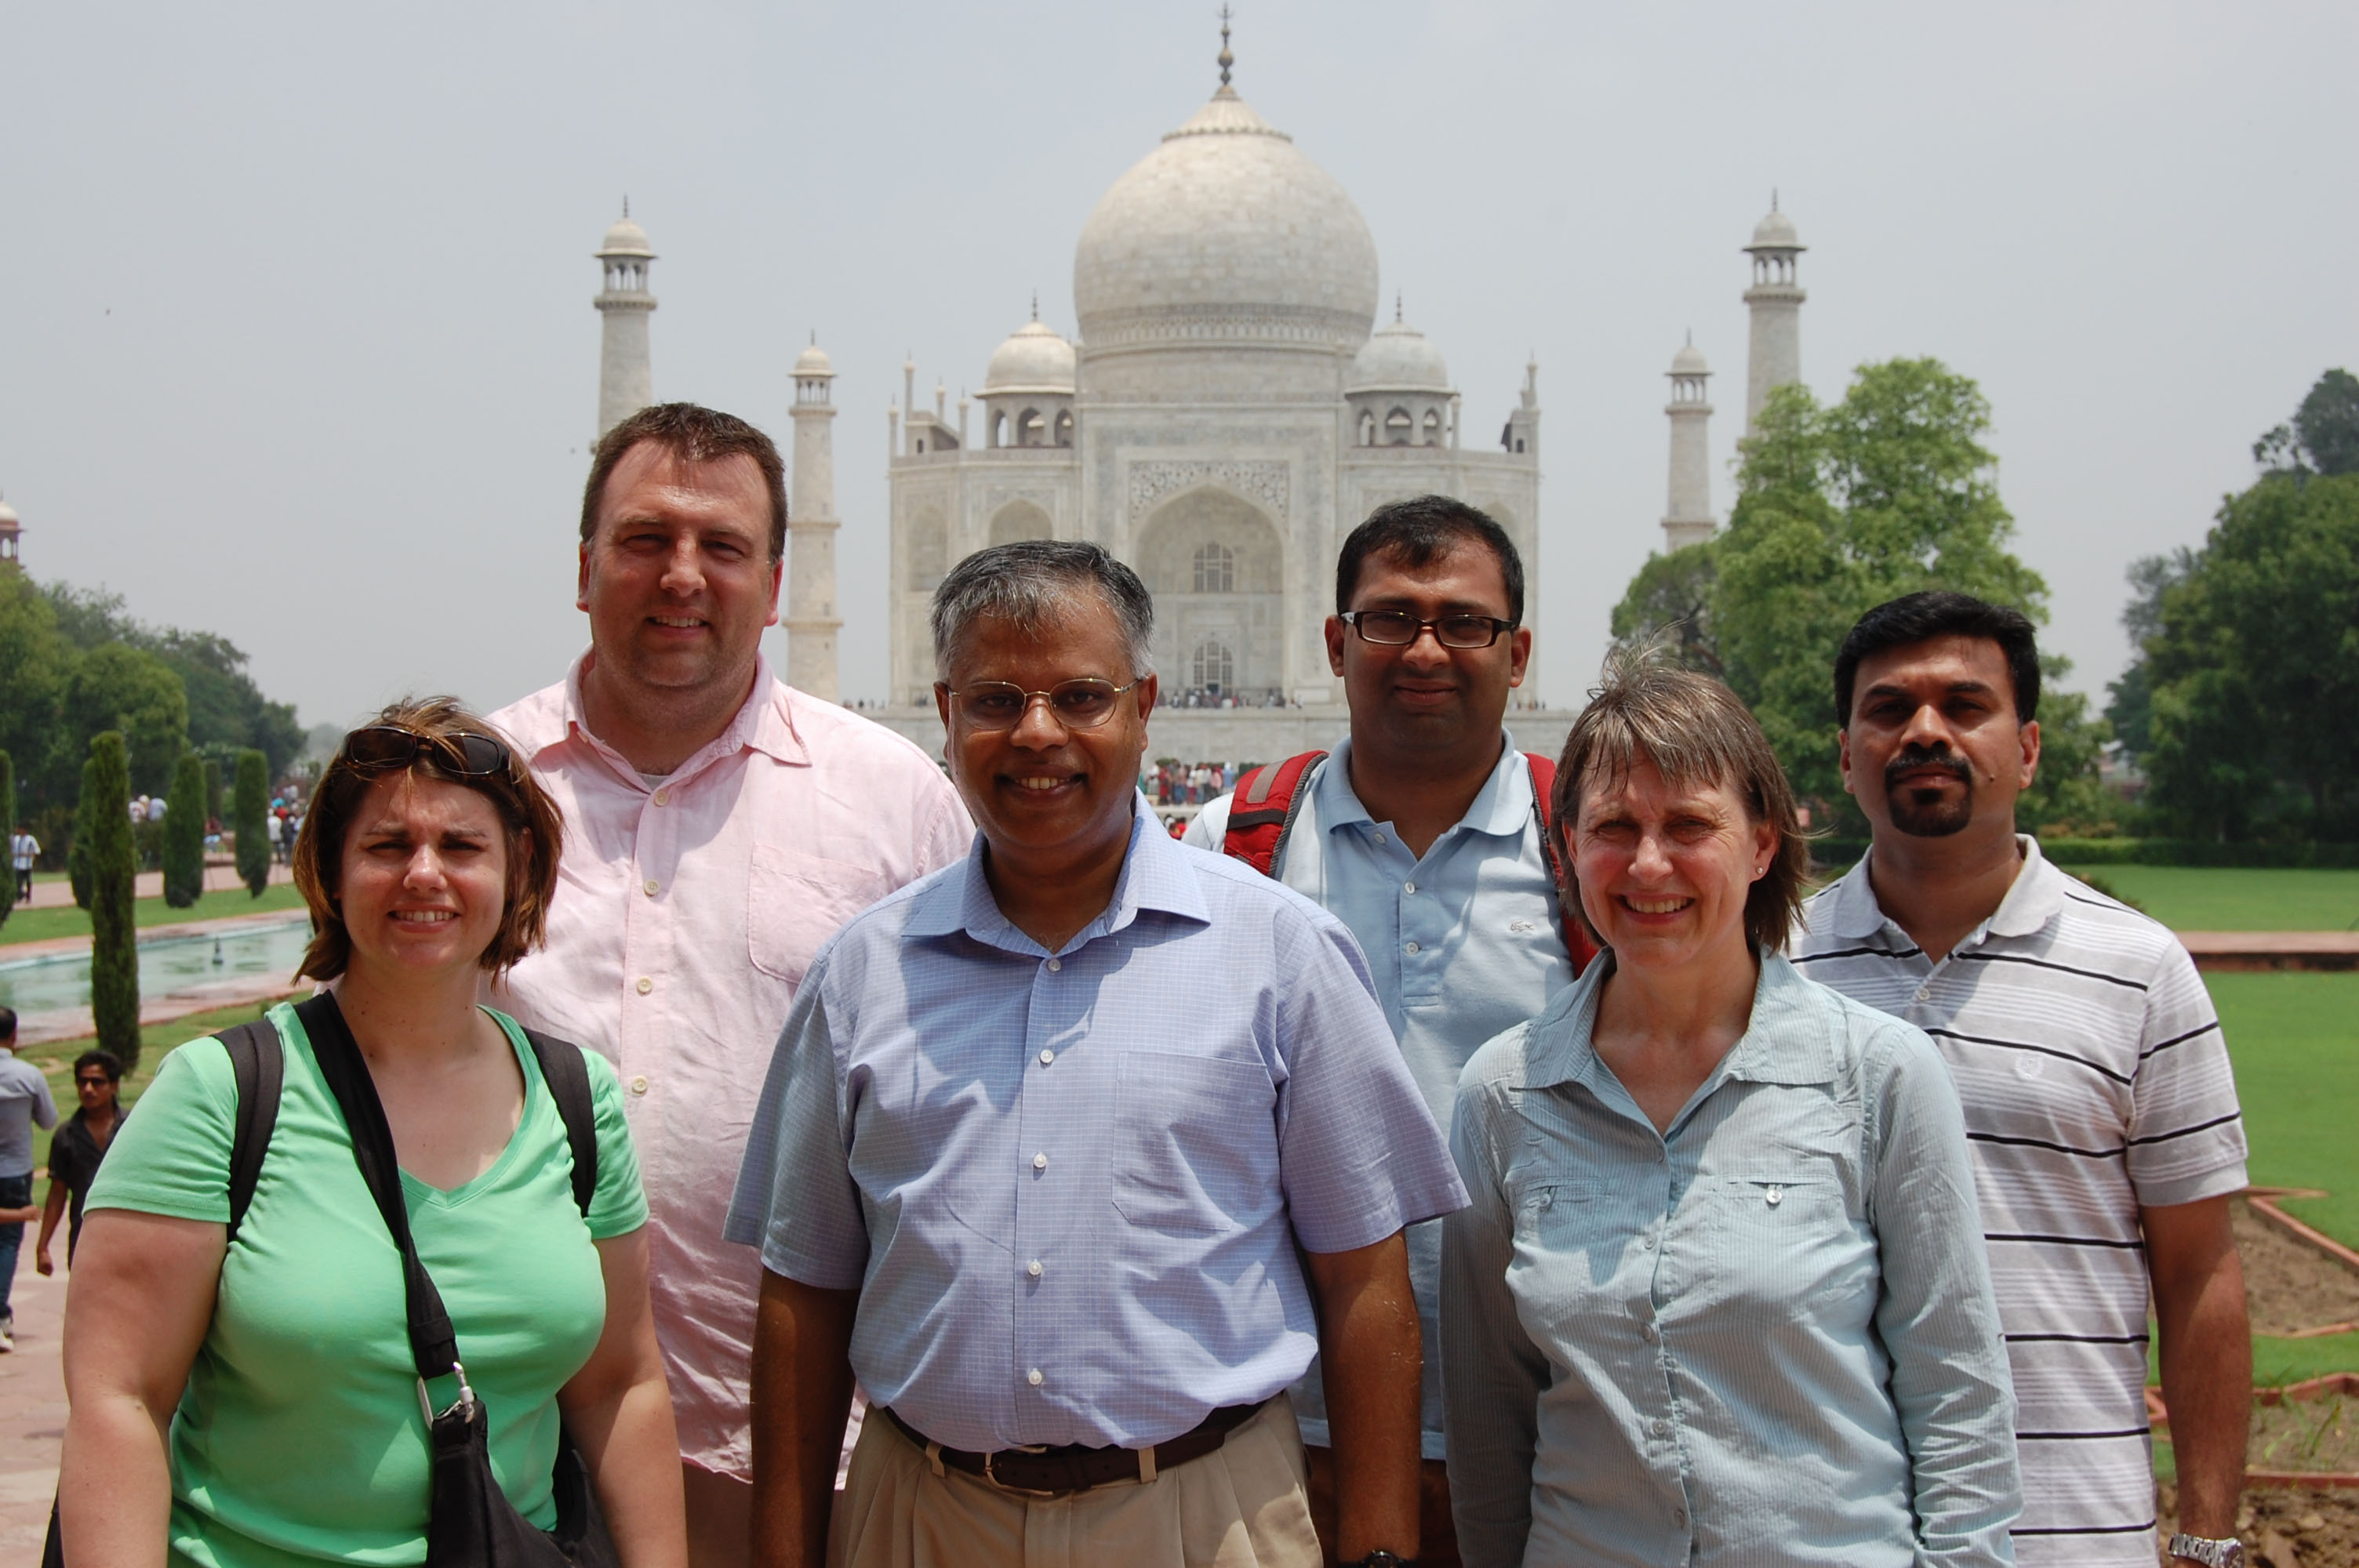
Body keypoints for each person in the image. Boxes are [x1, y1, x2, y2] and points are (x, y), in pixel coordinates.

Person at [727, 540, 1466, 1568]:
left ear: (1144, 703)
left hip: (1203, 1517)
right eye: (995, 701)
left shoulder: (1278, 953)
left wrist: (1381, 1553)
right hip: (923, 1515)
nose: (1038, 734)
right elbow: (804, 1293)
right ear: (945, 712)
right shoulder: (861, 975)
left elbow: (1365, 1279)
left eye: (1080, 696)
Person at [488, 401, 969, 1566]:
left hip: (825, 1442)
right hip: (517, 1435)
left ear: (778, 577)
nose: (683, 578)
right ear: (586, 566)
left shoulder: (889, 797)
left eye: (724, 547)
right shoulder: (476, 794)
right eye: (647, 539)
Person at [60, 698, 686, 1566]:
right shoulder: (224, 1096)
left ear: (518, 869)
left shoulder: (577, 1101)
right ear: (331, 867)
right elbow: (120, 1397)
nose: (423, 873)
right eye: (387, 845)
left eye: (462, 846)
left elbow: (619, 1385)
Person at [1443, 651, 2019, 1567]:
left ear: (1760, 841)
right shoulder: (1505, 1094)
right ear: (1565, 851)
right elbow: (1487, 1415)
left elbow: (1955, 1396)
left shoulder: (1874, 1076)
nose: (1646, 862)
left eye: (1687, 824)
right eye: (1613, 825)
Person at [1791, 591, 2252, 1567]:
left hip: (2073, 1529)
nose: (1923, 731)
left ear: (2027, 746)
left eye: (1963, 706)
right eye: (1887, 709)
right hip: (1820, 1529)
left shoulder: (2135, 969)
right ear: (1844, 753)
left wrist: (2207, 1534)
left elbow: (2198, 1268)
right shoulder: (1771, 967)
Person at [1186, 495, 1590, 1566]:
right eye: (1389, 619)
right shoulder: (1232, 844)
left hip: (1552, 1423)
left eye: (1464, 623)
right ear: (1333, 642)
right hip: (1275, 1432)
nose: (1426, 650)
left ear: (1519, 654)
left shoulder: (1595, 851)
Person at [0, 1005, 59, 1352]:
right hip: (15, 1169)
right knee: (7, 1243)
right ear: (15, 1036)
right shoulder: (28, 1075)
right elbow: (49, 1120)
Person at [35, 1048, 125, 1275]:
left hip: (129, 1231)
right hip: (84, 1235)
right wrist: (43, 1246)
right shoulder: (66, 1135)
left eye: (97, 1082)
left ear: (114, 1086)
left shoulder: (134, 1128)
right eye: (82, 1082)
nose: (88, 1089)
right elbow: (57, 1192)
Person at [11, 824, 38, 902]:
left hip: (27, 864)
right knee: (18, 882)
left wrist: (27, 855)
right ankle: (21, 895)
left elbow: (36, 851)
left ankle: (28, 897)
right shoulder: (16, 839)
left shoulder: (30, 839)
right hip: (17, 864)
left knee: (28, 881)